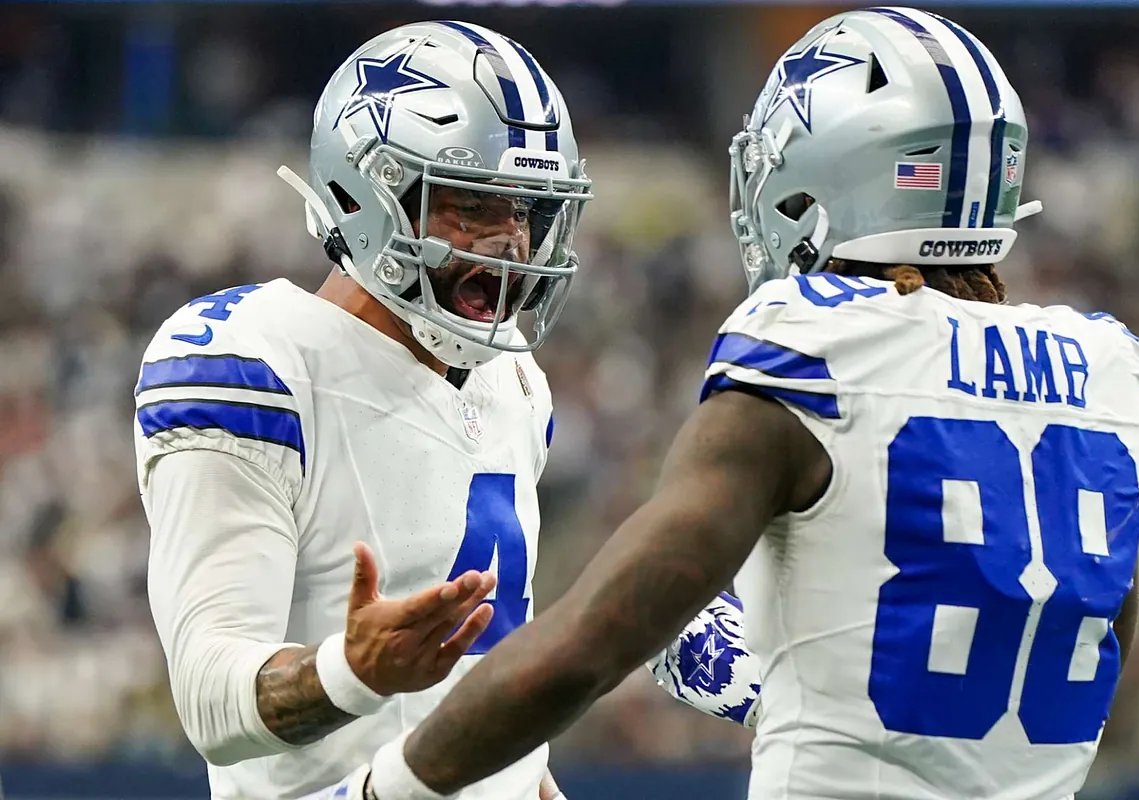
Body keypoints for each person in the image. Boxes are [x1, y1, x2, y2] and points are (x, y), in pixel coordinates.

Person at [321, 7, 1139, 800]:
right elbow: (1072, 652)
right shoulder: (1108, 372)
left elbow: (580, 655)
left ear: (834, 173)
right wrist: (789, 676)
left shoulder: (815, 341)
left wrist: (383, 788)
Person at [137, 20, 759, 800]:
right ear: (364, 195)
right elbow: (209, 701)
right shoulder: (254, 364)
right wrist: (351, 672)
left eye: (525, 211)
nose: (509, 244)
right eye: (471, 205)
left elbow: (476, 678)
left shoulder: (513, 379)